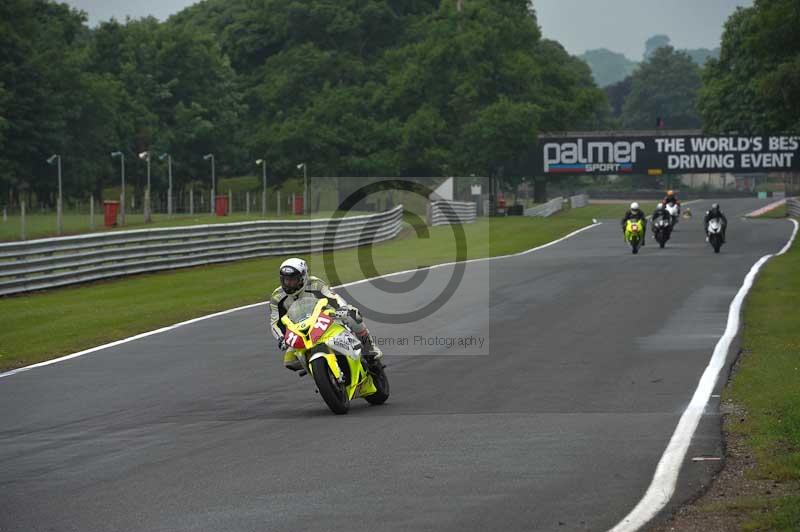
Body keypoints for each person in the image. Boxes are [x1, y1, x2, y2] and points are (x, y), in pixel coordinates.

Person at [270, 257, 382, 371]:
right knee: (290, 361)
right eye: (285, 280)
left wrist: (342, 309)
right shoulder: (277, 297)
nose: (289, 284)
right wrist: (281, 338)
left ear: (303, 277)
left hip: (324, 319)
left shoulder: (315, 284)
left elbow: (334, 298)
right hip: (300, 330)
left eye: (293, 279)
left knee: (353, 316)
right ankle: (320, 373)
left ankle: (370, 348)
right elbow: (275, 323)